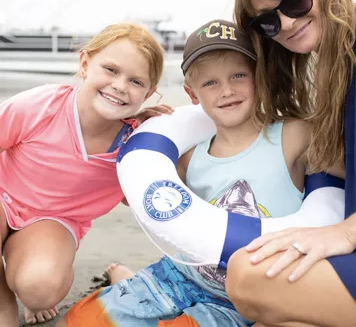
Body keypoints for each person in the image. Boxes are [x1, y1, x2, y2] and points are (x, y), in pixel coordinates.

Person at [57, 19, 320, 327]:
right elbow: (140, 200)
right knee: (75, 322)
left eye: (239, 75)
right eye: (210, 82)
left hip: (245, 296)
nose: (227, 90)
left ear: (260, 78)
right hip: (181, 276)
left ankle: (124, 277)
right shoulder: (188, 158)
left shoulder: (293, 136)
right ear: (192, 94)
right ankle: (126, 279)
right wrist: (133, 132)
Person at [225, 0, 356, 327]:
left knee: (248, 274)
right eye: (267, 21)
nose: (285, 23)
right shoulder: (332, 82)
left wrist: (344, 234)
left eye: (294, 2)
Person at [0, 22, 173, 326]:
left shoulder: (134, 145)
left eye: (135, 81)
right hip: (3, 195)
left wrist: (161, 142)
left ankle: (24, 270)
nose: (120, 86)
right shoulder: (40, 106)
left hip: (51, 222)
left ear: (149, 93)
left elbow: (141, 201)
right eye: (110, 70)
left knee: (40, 289)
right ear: (84, 64)